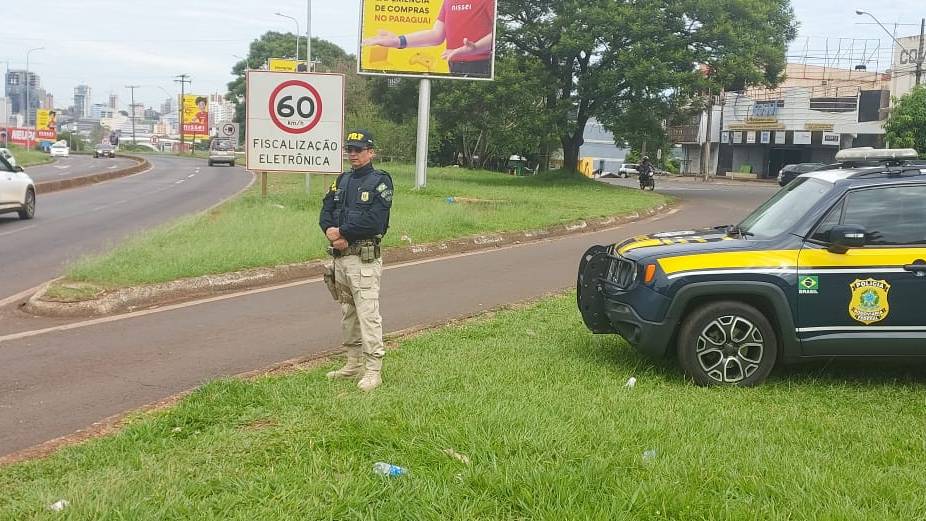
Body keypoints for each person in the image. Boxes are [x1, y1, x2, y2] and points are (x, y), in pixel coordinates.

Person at [319, 130, 394, 392]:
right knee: (348, 313)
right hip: (341, 258)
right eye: (349, 149)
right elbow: (326, 209)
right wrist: (329, 230)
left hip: (363, 259)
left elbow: (375, 220)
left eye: (358, 150)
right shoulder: (343, 180)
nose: (353, 154)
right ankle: (353, 363)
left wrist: (343, 233)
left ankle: (373, 369)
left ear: (371, 152)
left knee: (368, 314)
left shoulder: (380, 182)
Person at [361, 0, 496, 78]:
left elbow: (497, 33)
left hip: (482, 66)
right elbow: (436, 35)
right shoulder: (448, 1)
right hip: (454, 68)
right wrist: (398, 41)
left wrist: (476, 48)